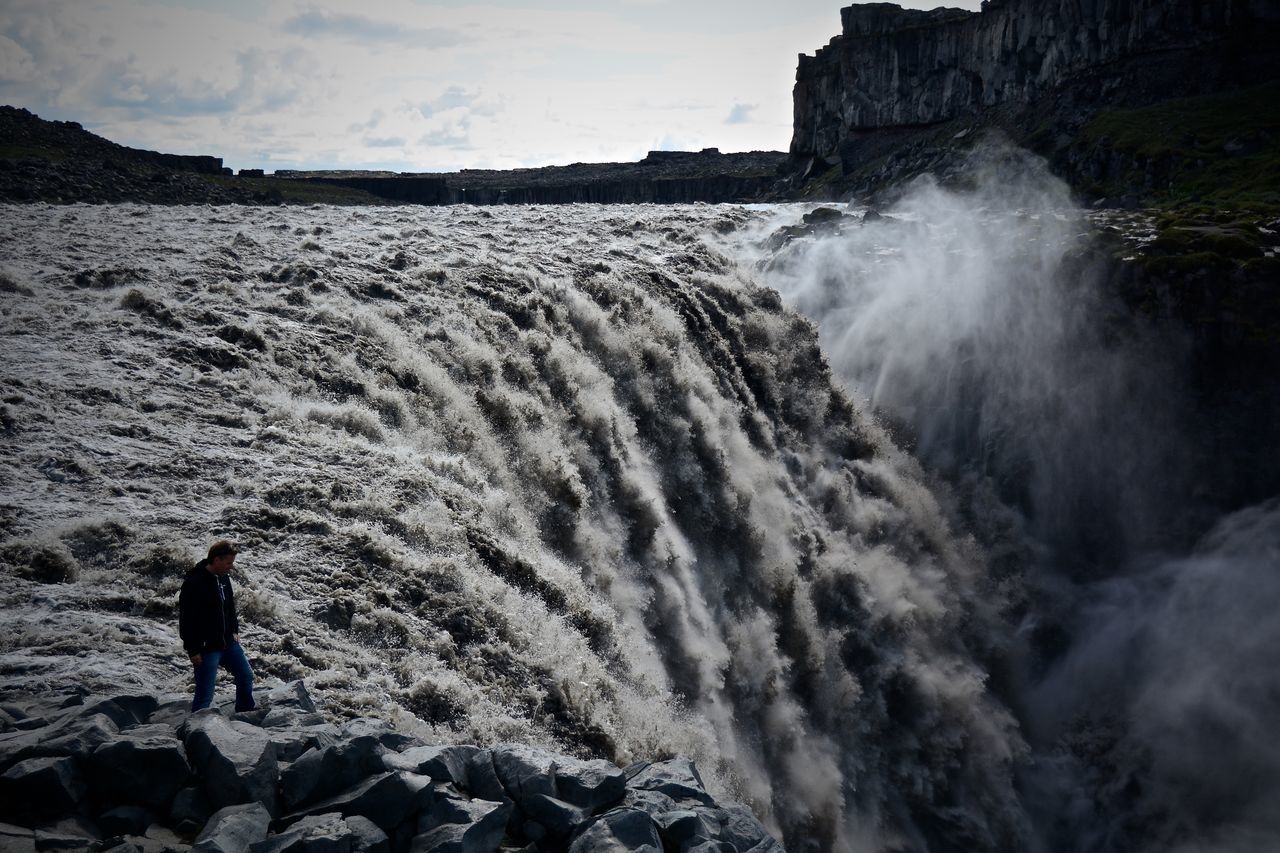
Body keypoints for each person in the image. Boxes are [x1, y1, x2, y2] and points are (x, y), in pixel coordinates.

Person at [179, 540, 256, 712]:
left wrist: (234, 629)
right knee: (205, 693)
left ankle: (245, 711)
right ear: (216, 560)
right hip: (206, 648)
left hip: (228, 642)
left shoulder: (223, 578)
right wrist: (193, 649)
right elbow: (186, 619)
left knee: (245, 676)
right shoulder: (194, 582)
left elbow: (230, 607)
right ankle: (196, 729)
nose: (231, 567)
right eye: (229, 563)